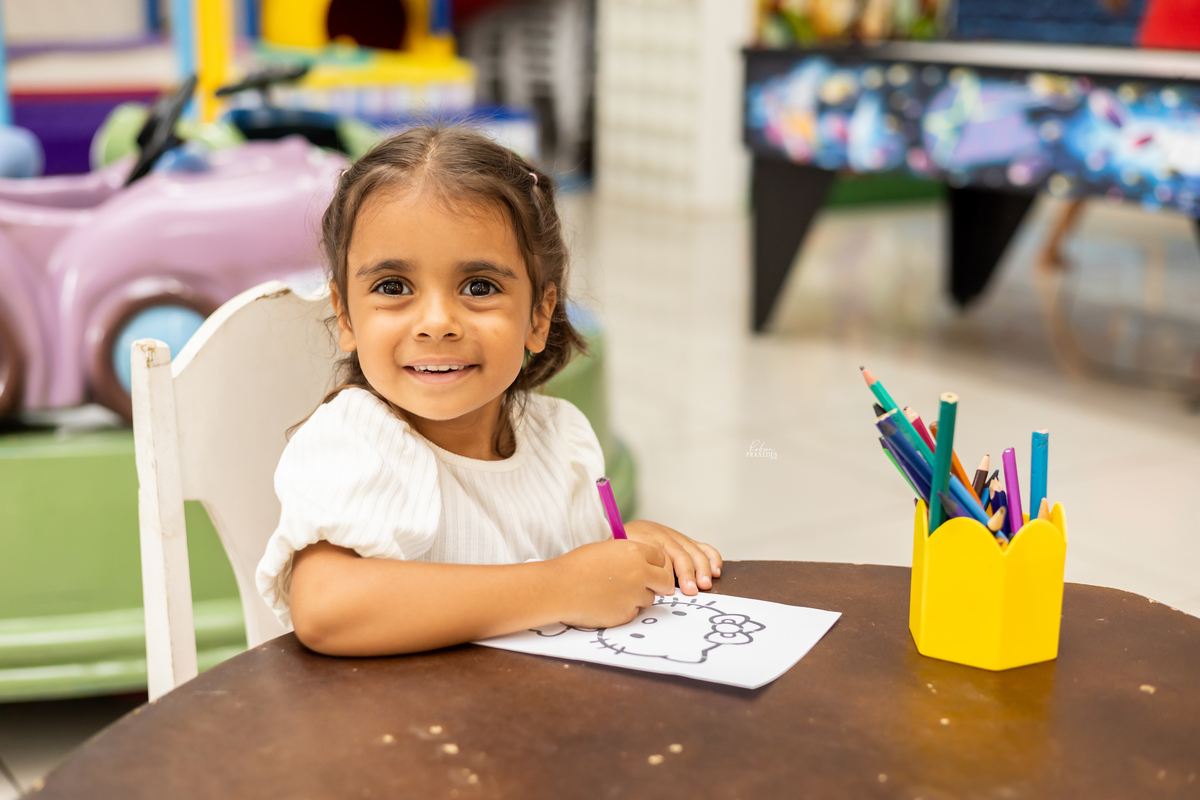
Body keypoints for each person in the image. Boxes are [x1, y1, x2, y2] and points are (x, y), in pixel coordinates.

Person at [255, 127, 722, 657]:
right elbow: (328, 609)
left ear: (539, 315)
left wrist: (630, 552)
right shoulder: (356, 439)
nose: (436, 323)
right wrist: (560, 586)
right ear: (345, 314)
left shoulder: (561, 438)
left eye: (479, 287)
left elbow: (587, 585)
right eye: (393, 287)